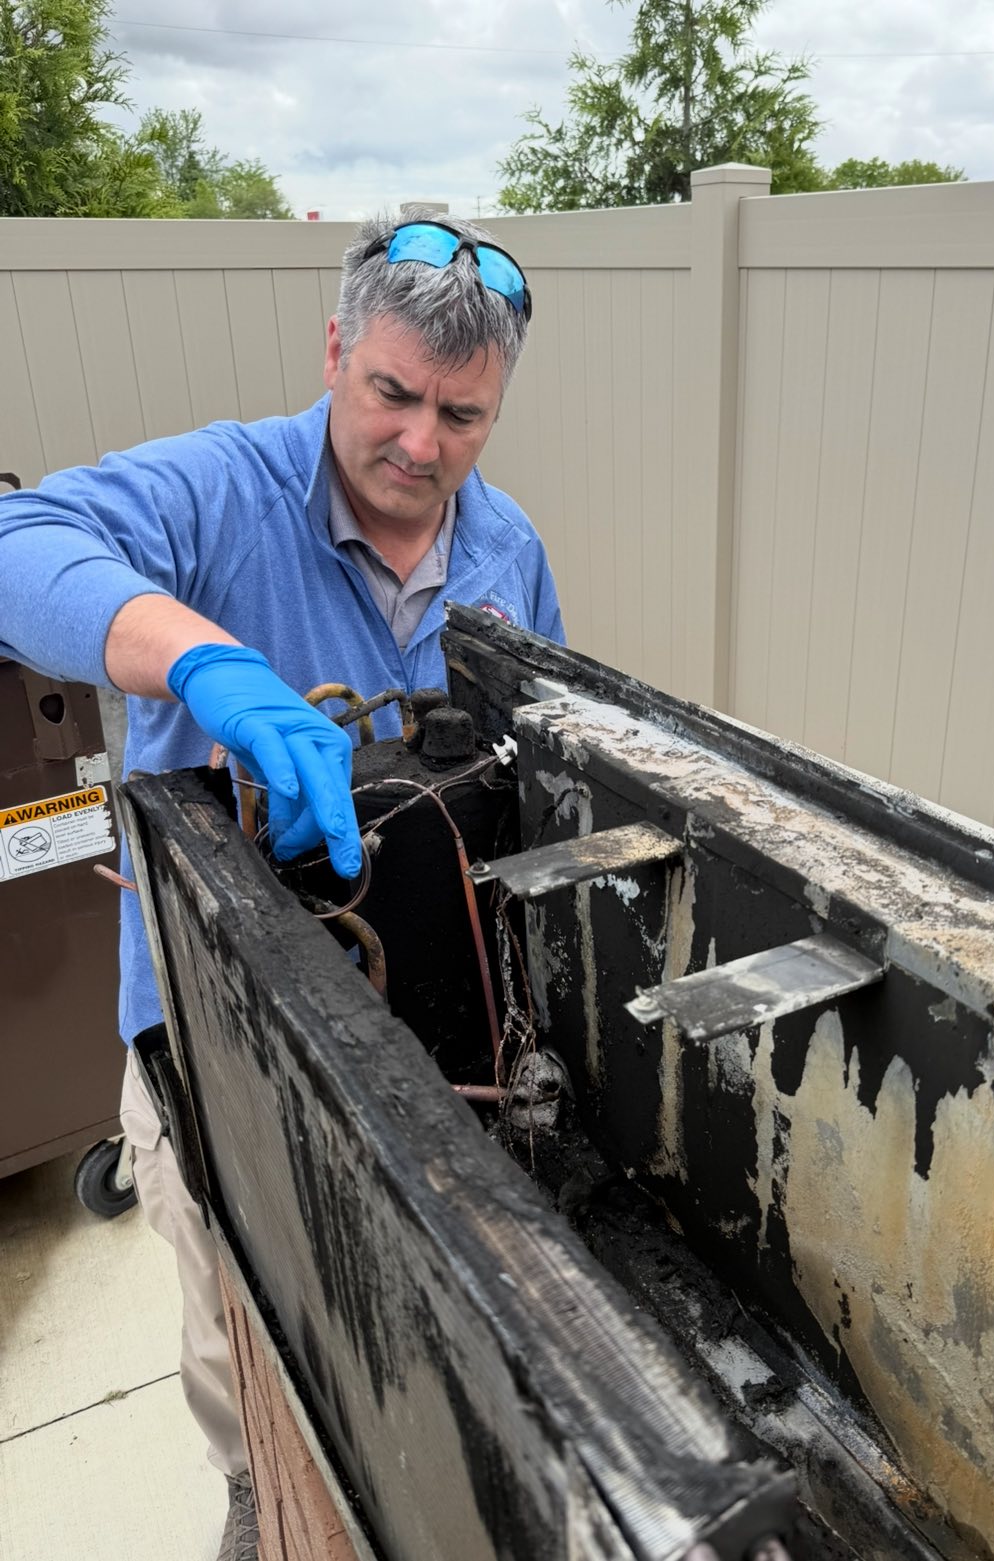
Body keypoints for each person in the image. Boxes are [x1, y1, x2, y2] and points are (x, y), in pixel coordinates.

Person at [0, 212, 563, 1561]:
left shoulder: (508, 551)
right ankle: (257, 1491)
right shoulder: (224, 489)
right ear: (334, 353)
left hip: (424, 1029)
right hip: (215, 1040)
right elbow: (17, 542)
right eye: (390, 392)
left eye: (462, 415)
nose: (420, 443)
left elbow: (539, 752)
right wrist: (202, 660)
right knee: (239, 1322)